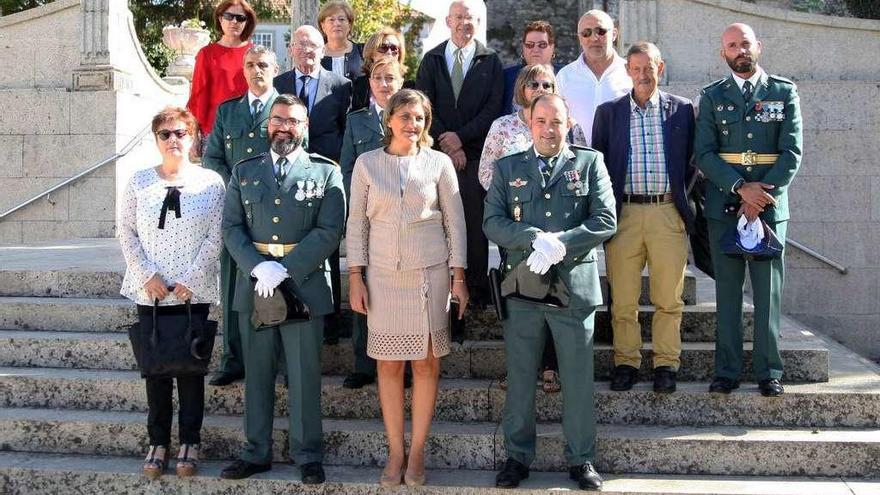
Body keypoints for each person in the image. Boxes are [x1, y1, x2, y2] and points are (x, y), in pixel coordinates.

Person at [484, 94, 615, 491]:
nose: (548, 129)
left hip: (574, 287)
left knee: (576, 378)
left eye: (556, 121)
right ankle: (517, 458)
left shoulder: (590, 163)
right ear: (529, 122)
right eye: (540, 121)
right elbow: (492, 220)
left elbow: (606, 218)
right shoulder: (508, 167)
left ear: (568, 122)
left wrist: (563, 242)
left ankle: (582, 459)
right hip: (525, 285)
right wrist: (532, 237)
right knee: (521, 377)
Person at [219, 94, 345, 483]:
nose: (283, 127)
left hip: (303, 285)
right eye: (278, 120)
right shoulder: (244, 171)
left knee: (305, 375)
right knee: (256, 374)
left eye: (292, 121)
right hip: (255, 285)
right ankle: (255, 452)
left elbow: (330, 230)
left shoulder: (325, 172)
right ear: (267, 125)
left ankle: (307, 454)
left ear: (304, 127)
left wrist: (285, 270)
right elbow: (231, 228)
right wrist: (259, 267)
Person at [346, 89, 468, 487]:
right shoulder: (367, 164)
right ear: (389, 120)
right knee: (389, 364)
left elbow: (456, 223)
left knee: (427, 362)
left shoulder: (439, 164)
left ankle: (417, 453)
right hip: (381, 277)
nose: (411, 124)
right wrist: (355, 276)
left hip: (428, 276)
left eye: (418, 118)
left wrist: (459, 277)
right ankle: (395, 451)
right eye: (404, 116)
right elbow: (357, 225)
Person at [695, 23, 802, 397]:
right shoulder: (711, 96)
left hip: (770, 209)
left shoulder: (783, 92)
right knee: (727, 293)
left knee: (768, 294)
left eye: (745, 43)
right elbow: (704, 154)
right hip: (725, 206)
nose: (739, 50)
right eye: (731, 45)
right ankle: (726, 370)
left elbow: (792, 152)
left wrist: (760, 196)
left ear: (758, 46)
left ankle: (769, 370)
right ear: (722, 53)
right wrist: (741, 189)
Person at [118, 107, 225, 479]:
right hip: (152, 293)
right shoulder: (138, 181)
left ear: (193, 137)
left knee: (192, 371)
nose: (173, 140)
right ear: (156, 140)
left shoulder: (211, 183)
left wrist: (192, 278)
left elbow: (217, 234)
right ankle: (158, 441)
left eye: (180, 132)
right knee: (157, 370)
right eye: (165, 134)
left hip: (192, 293)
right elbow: (126, 232)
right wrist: (147, 275)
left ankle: (190, 441)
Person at [592, 42, 696, 394]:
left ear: (660, 68)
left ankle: (666, 364)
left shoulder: (682, 110)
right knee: (623, 299)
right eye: (635, 68)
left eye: (648, 67)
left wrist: (681, 201)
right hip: (625, 215)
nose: (642, 74)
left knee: (669, 298)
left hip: (667, 213)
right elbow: (600, 167)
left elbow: (694, 161)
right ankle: (627, 362)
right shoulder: (609, 113)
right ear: (627, 71)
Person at [478, 63, 587, 394]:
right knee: (520, 305)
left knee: (556, 298)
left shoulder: (569, 125)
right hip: (517, 231)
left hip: (559, 234)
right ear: (521, 88)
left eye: (547, 83)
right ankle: (520, 370)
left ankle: (551, 368)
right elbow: (486, 171)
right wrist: (511, 200)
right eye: (533, 83)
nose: (540, 88)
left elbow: (583, 168)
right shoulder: (503, 126)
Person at [415, 0, 503, 306]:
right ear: (449, 21)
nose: (465, 23)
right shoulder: (432, 59)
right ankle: (440, 297)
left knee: (473, 232)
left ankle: (475, 297)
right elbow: (423, 106)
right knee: (439, 228)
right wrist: (447, 142)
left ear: (478, 22)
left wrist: (462, 140)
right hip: (437, 157)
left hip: (476, 157)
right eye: (459, 18)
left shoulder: (490, 61)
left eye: (471, 18)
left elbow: (493, 108)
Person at [202, 45, 279, 387]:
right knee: (234, 283)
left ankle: (274, 358)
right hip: (235, 212)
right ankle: (233, 358)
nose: (256, 70)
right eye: (250, 64)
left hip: (274, 212)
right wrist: (236, 188)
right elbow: (212, 158)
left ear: (275, 69)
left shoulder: (285, 108)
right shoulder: (228, 111)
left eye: (263, 64)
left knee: (273, 283)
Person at [275, 24, 352, 344]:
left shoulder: (341, 85)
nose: (307, 51)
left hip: (325, 176)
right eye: (301, 45)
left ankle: (330, 320)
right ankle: (286, 311)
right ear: (290, 48)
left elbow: (346, 132)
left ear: (324, 50)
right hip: (286, 178)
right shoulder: (278, 84)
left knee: (327, 245)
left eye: (314, 46)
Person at [338, 58, 405, 389]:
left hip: (405, 218)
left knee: (401, 292)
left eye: (390, 78)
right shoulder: (357, 121)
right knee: (363, 285)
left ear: (401, 80)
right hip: (368, 215)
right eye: (378, 78)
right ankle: (364, 364)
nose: (384, 84)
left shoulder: (412, 115)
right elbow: (347, 168)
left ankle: (405, 361)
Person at [187, 0, 256, 150]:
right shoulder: (206, 54)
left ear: (247, 22)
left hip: (249, 131)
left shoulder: (255, 53)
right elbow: (198, 97)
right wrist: (193, 136)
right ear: (220, 19)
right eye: (229, 16)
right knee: (213, 175)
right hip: (214, 131)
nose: (234, 21)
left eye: (240, 18)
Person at [556, 9, 631, 147]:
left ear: (614, 34)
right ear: (579, 38)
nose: (594, 38)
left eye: (600, 31)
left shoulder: (631, 72)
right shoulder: (564, 76)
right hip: (578, 161)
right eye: (586, 33)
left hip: (621, 159)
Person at [501, 21, 563, 115]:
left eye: (542, 45)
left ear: (552, 47)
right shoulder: (506, 77)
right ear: (523, 48)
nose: (535, 49)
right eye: (530, 45)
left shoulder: (566, 74)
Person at [351, 27, 411, 111]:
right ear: (371, 54)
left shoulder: (410, 89)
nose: (389, 52)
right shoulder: (357, 86)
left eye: (394, 49)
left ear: (399, 55)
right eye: (383, 48)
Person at [318, 0, 364, 82]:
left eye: (341, 19)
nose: (336, 24)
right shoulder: (315, 55)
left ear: (349, 25)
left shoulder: (362, 52)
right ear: (323, 26)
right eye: (331, 20)